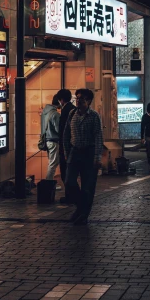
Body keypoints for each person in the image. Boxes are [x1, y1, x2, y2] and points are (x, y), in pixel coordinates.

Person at [64, 88, 104, 225]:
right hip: (75, 152)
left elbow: (98, 136)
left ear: (88, 101)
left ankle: (83, 214)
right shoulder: (71, 114)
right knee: (69, 182)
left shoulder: (94, 116)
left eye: (81, 98)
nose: (78, 101)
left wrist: (98, 157)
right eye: (77, 98)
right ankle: (80, 207)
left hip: (89, 152)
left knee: (88, 186)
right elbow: (66, 134)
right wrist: (67, 152)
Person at [56, 89, 76, 202]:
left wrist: (63, 147)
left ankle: (71, 195)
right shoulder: (73, 109)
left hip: (66, 146)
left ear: (61, 100)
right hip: (71, 146)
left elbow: (64, 131)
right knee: (69, 172)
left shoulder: (66, 111)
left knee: (66, 172)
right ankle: (71, 195)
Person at [41, 95, 62, 181]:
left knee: (51, 162)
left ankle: (49, 182)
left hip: (47, 140)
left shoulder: (45, 112)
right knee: (53, 164)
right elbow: (58, 129)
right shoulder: (55, 114)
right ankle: (49, 183)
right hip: (54, 141)